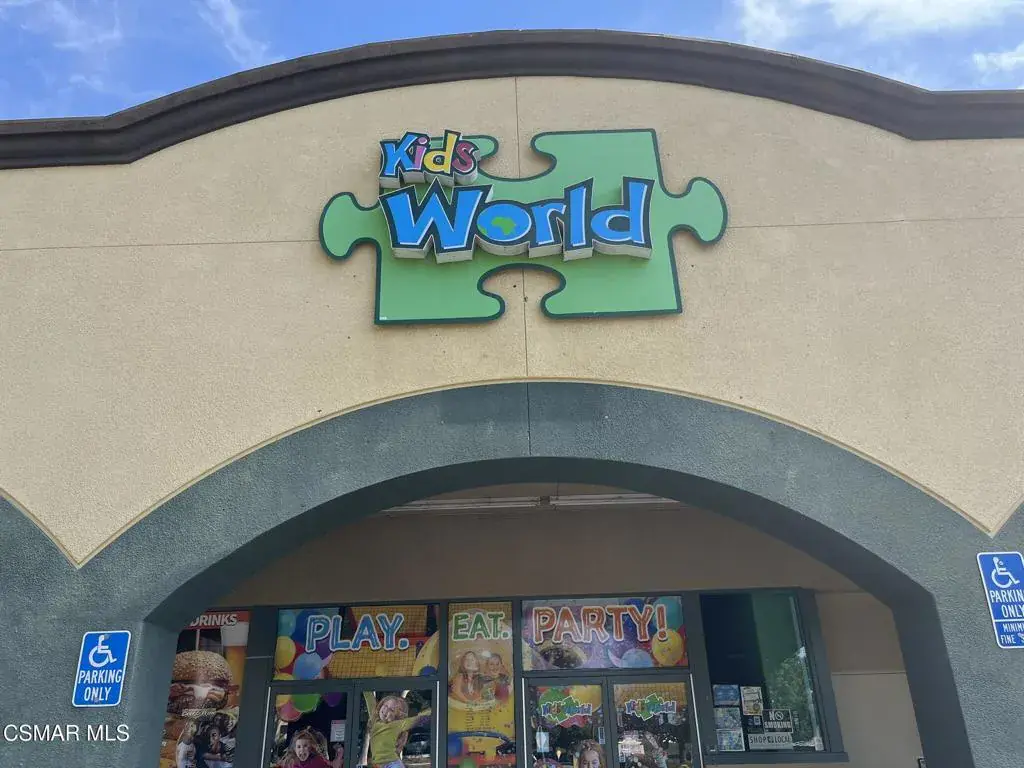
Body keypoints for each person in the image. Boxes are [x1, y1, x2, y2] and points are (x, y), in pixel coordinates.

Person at [363, 692, 432, 768]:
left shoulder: (396, 725)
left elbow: (417, 720)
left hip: (392, 763)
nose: (386, 710)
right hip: (378, 764)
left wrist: (432, 711)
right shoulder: (374, 719)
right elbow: (369, 698)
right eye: (385, 706)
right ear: (381, 705)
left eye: (391, 710)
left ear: (396, 715)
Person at [278, 727, 343, 768]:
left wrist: (339, 755)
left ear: (310, 748)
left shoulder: (317, 760)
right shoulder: (290, 762)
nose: (302, 749)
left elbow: (332, 765)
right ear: (295, 749)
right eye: (299, 747)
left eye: (305, 746)